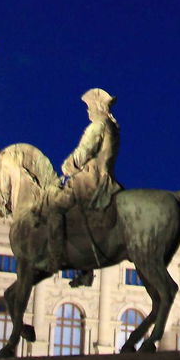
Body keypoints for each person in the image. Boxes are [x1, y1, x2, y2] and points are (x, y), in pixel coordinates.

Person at [40, 88, 122, 282]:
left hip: (90, 179)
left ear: (98, 107)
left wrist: (67, 167)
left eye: (89, 107)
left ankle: (54, 258)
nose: (88, 111)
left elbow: (83, 152)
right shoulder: (112, 126)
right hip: (107, 179)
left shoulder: (98, 126)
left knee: (54, 208)